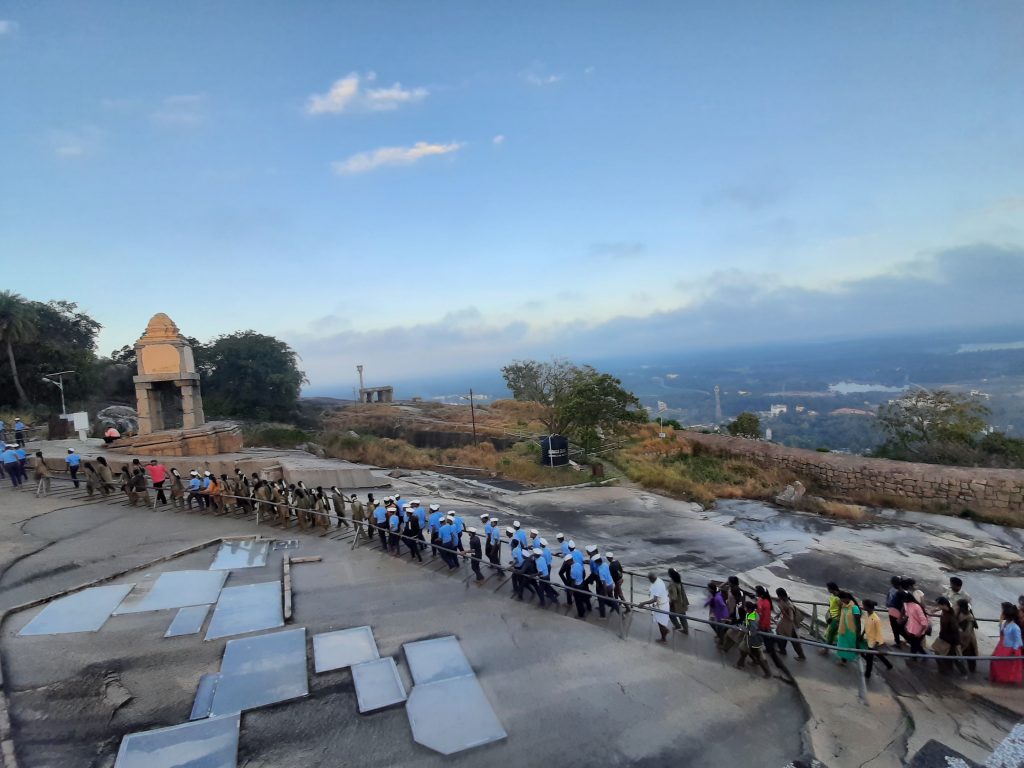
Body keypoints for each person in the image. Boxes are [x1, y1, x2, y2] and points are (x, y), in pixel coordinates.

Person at [736, 601, 772, 678]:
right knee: (744, 650)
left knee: (757, 655)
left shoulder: (752, 619)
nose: (744, 608)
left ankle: (767, 672)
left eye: (745, 607)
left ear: (748, 609)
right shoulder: (753, 614)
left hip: (754, 640)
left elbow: (753, 632)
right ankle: (741, 664)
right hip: (750, 639)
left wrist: (744, 630)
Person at [933, 597, 968, 676]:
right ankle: (944, 670)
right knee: (941, 654)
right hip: (944, 638)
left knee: (954, 657)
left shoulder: (951, 617)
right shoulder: (945, 612)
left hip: (950, 641)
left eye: (939, 605)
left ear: (944, 605)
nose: (938, 606)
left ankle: (963, 673)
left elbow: (955, 631)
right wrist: (934, 609)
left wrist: (957, 644)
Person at [990, 603, 1023, 685]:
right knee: (995, 660)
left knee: (1005, 664)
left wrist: (1014, 651)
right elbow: (1001, 634)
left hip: (1011, 649)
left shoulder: (1015, 627)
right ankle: (999, 677)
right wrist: (1001, 621)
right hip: (1003, 646)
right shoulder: (1005, 624)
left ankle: (1006, 679)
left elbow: (1017, 640)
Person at [860, 599, 894, 678]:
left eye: (864, 605)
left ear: (868, 607)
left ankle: (867, 674)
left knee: (869, 659)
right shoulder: (868, 615)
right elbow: (866, 626)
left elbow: (879, 633)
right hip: (869, 639)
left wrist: (876, 643)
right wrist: (862, 634)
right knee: (878, 655)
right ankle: (888, 665)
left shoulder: (876, 619)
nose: (862, 607)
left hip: (874, 642)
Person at [639, 572, 672, 643]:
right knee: (660, 622)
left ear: (651, 579)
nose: (649, 580)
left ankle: (664, 638)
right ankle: (665, 632)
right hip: (661, 604)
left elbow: (654, 599)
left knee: (661, 623)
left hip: (661, 606)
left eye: (649, 579)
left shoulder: (657, 585)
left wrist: (643, 603)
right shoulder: (658, 580)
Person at [774, 588, 806, 660]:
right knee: (781, 635)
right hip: (784, 623)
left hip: (790, 625)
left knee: (794, 641)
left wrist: (783, 611)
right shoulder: (784, 600)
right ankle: (782, 650)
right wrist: (779, 614)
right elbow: (784, 608)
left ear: (780, 595)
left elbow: (791, 618)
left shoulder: (789, 605)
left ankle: (801, 656)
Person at [835, 591, 863, 665]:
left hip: (851, 631)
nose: (841, 601)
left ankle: (862, 658)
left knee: (852, 646)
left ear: (847, 598)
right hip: (843, 630)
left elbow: (858, 623)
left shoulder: (855, 608)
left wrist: (858, 634)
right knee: (843, 646)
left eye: (842, 599)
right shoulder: (844, 606)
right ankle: (843, 661)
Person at [902, 591, 930, 657]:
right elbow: (908, 616)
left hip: (919, 630)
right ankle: (923, 655)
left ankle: (916, 657)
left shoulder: (917, 606)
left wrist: (920, 632)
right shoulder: (906, 604)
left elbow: (924, 622)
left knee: (915, 645)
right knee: (914, 645)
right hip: (912, 629)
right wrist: (906, 626)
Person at [886, 576, 907, 649]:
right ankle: (900, 642)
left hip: (895, 613)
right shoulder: (904, 591)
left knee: (897, 629)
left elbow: (888, 602)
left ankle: (900, 642)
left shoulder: (893, 591)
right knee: (899, 629)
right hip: (898, 613)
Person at [820, 582, 842, 653]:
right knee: (829, 633)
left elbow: (842, 609)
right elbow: (830, 606)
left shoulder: (838, 598)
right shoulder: (832, 596)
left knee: (830, 634)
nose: (827, 589)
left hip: (836, 619)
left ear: (832, 589)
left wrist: (839, 620)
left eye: (828, 588)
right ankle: (826, 649)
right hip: (831, 617)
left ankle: (826, 650)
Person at [667, 569, 689, 633]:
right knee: (682, 616)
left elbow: (675, 596)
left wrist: (670, 602)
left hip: (675, 603)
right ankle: (685, 629)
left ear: (670, 574)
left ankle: (677, 625)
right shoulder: (678, 580)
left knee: (671, 614)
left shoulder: (672, 583)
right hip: (682, 601)